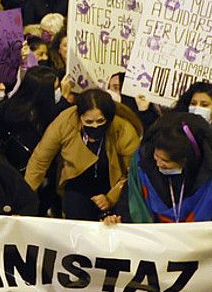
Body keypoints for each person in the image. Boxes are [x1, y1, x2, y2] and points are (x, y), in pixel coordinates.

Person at [104, 112, 212, 227]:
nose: (158, 164)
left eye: (166, 162)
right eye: (157, 157)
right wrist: (119, 219)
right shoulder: (144, 159)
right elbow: (131, 196)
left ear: (185, 160)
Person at [24, 88, 141, 220]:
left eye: (100, 121)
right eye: (89, 122)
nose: (95, 126)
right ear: (80, 117)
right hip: (76, 181)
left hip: (112, 182)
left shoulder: (123, 129)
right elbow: (40, 159)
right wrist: (25, 197)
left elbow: (133, 173)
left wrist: (111, 198)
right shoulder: (64, 122)